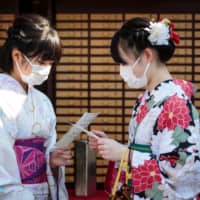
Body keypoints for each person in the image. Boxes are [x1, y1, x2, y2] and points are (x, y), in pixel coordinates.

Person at [89, 17, 200, 199]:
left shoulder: (176, 104)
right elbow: (149, 150)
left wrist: (125, 154)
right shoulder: (145, 99)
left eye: (124, 63)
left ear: (147, 56)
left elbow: (183, 172)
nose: (121, 70)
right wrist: (114, 148)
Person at [0, 14, 72, 200]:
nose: (46, 69)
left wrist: (51, 161)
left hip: (41, 192)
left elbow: (47, 147)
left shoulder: (42, 101)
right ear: (17, 55)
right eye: (41, 62)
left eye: (50, 63)